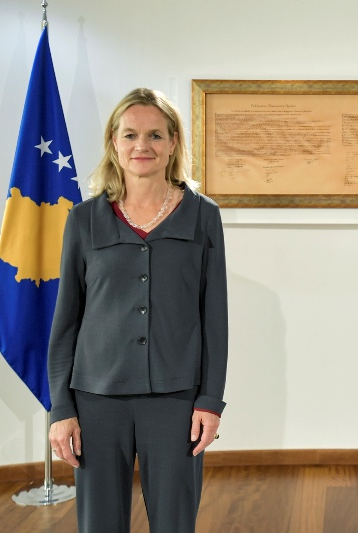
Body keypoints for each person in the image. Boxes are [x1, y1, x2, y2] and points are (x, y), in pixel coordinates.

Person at [48, 88, 228, 533]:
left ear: (173, 143)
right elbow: (66, 321)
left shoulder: (203, 216)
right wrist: (61, 409)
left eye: (155, 135)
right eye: (130, 135)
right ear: (114, 142)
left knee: (174, 523)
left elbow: (215, 318)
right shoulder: (84, 219)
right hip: (96, 400)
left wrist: (210, 401)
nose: (141, 145)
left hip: (176, 400)